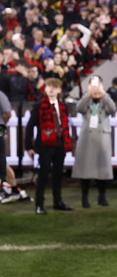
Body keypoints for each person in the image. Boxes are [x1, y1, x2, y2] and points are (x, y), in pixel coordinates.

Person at [25, 77, 74, 214]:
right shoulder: (39, 106)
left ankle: (57, 201)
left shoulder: (62, 106)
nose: (51, 89)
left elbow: (65, 126)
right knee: (43, 175)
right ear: (45, 89)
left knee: (58, 174)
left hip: (60, 145)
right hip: (45, 145)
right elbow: (30, 126)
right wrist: (29, 146)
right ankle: (39, 204)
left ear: (59, 90)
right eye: (48, 86)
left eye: (54, 87)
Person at [72, 76, 116, 208]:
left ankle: (102, 196)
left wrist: (104, 94)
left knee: (103, 169)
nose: (96, 88)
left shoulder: (105, 99)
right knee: (85, 169)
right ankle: (84, 197)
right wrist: (88, 94)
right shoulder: (86, 99)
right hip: (87, 139)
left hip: (102, 138)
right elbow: (79, 108)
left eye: (98, 85)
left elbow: (113, 109)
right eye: (93, 85)